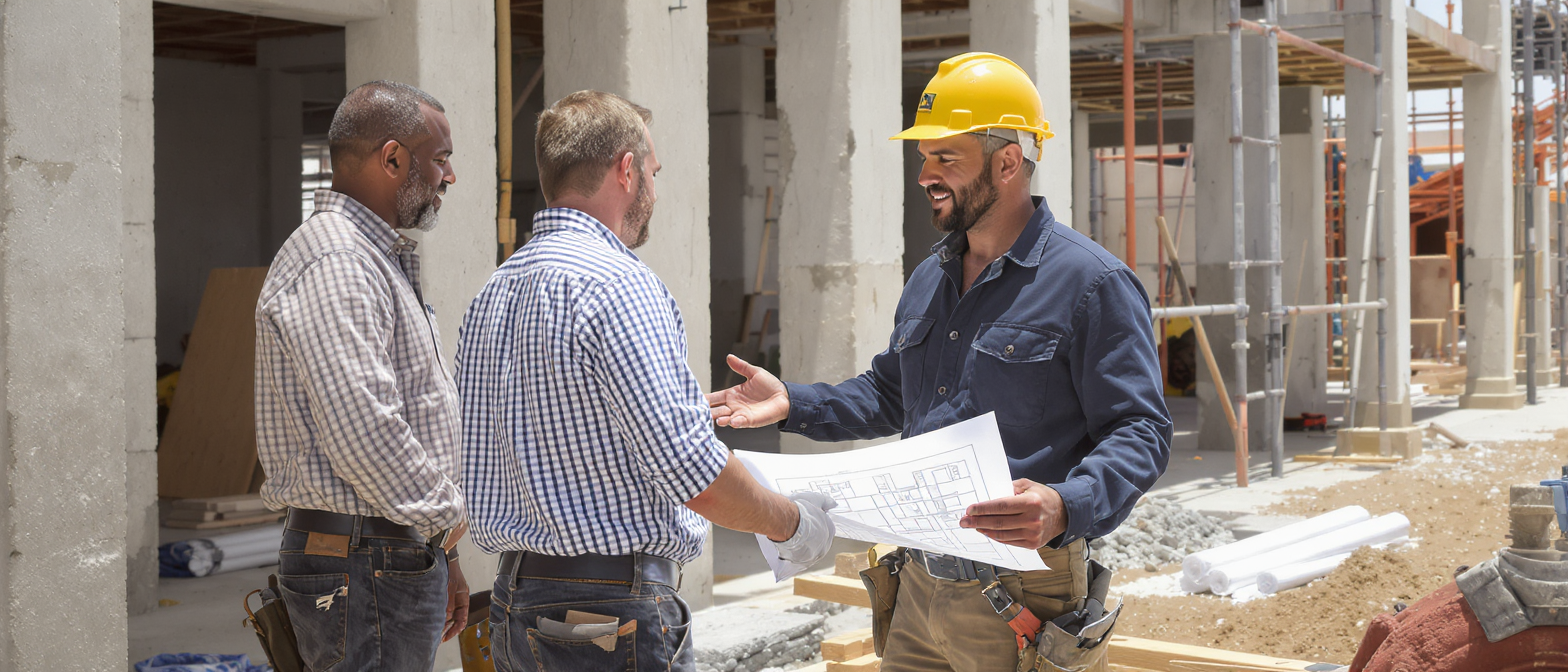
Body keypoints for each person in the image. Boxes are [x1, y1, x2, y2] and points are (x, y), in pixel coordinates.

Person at [707, 53, 1172, 672]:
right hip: (919, 583)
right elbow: (893, 393)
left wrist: (1065, 503)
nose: (925, 173)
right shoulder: (931, 276)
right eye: (924, 156)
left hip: (1023, 591)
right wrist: (794, 402)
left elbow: (1141, 429)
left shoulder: (1092, 284)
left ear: (1009, 162)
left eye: (945, 156)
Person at [455, 90, 838, 672]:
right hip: (608, 616)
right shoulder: (618, 284)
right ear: (627, 170)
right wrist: (791, 523)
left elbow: (504, 443)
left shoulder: (495, 291)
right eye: (653, 172)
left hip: (516, 603)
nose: (655, 191)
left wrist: (670, 411)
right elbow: (693, 472)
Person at [255, 80, 469, 670]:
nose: (449, 177)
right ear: (394, 157)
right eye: (441, 158)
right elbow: (365, 433)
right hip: (363, 557)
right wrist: (447, 520)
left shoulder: (369, 257)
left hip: (382, 551)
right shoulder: (339, 260)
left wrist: (442, 556)